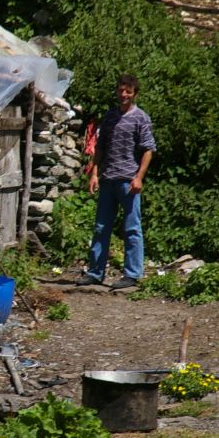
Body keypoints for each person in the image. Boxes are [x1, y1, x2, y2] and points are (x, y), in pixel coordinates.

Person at [79, 74, 156, 290]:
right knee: (101, 227)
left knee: (132, 228)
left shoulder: (141, 118)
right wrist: (94, 173)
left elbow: (148, 149)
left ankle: (132, 274)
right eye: (121, 90)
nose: (123, 95)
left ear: (135, 94)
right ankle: (95, 273)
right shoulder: (110, 116)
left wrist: (139, 177)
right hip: (108, 179)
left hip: (128, 181)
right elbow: (100, 147)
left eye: (128, 91)